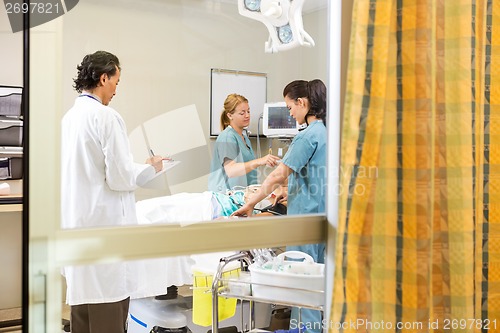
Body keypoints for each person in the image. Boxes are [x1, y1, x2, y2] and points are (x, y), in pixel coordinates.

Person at [61, 50, 164, 333]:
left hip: (77, 227)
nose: (117, 90)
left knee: (82, 309)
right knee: (108, 307)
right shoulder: (106, 117)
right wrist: (150, 168)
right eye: (116, 82)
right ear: (104, 77)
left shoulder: (69, 118)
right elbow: (119, 177)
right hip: (104, 227)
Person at [232, 79, 327, 333]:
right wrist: (289, 192)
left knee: (302, 289)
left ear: (302, 103)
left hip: (303, 222)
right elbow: (312, 176)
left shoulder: (307, 137)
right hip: (318, 217)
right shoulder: (326, 133)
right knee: (316, 288)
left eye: (289, 108)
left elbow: (277, 175)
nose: (290, 114)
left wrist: (250, 204)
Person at [209, 93, 280, 193]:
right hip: (226, 196)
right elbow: (231, 170)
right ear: (230, 115)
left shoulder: (244, 138)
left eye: (248, 111)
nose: (247, 115)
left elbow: (247, 168)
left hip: (243, 194)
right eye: (242, 113)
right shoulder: (227, 137)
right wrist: (260, 161)